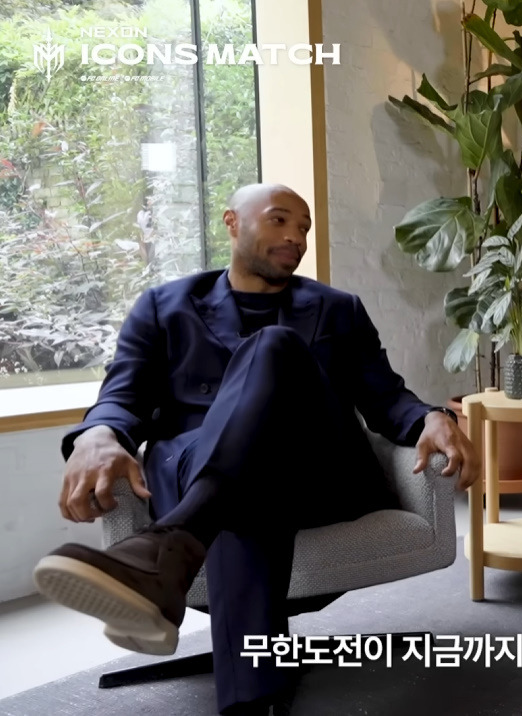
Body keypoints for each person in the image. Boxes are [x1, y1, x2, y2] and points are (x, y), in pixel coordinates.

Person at [32, 184, 480, 716]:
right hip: (198, 466)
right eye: (279, 220)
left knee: (273, 346)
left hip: (318, 473)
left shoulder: (338, 309)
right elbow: (122, 396)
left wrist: (434, 415)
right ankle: (249, 701)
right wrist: (97, 434)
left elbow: (385, 397)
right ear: (232, 222)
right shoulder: (163, 306)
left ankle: (167, 551)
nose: (296, 237)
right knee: (242, 486)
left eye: (304, 228)